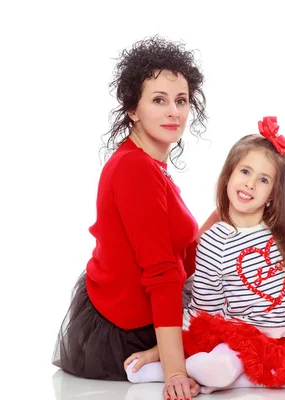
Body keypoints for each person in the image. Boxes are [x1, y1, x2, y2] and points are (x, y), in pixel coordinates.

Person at [124, 117, 285, 394]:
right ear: (229, 175)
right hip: (240, 340)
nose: (250, 184)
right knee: (219, 366)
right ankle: (181, 371)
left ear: (273, 195)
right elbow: (200, 312)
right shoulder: (214, 241)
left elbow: (279, 284)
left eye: (263, 179)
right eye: (245, 172)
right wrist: (159, 352)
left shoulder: (278, 233)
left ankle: (244, 379)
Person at [52, 35, 219, 400]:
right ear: (133, 109)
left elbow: (183, 253)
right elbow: (161, 273)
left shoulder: (151, 166)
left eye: (181, 101)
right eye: (159, 100)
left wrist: (224, 211)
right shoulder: (134, 170)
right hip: (125, 329)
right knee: (250, 321)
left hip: (148, 309)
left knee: (253, 297)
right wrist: (175, 372)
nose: (173, 112)